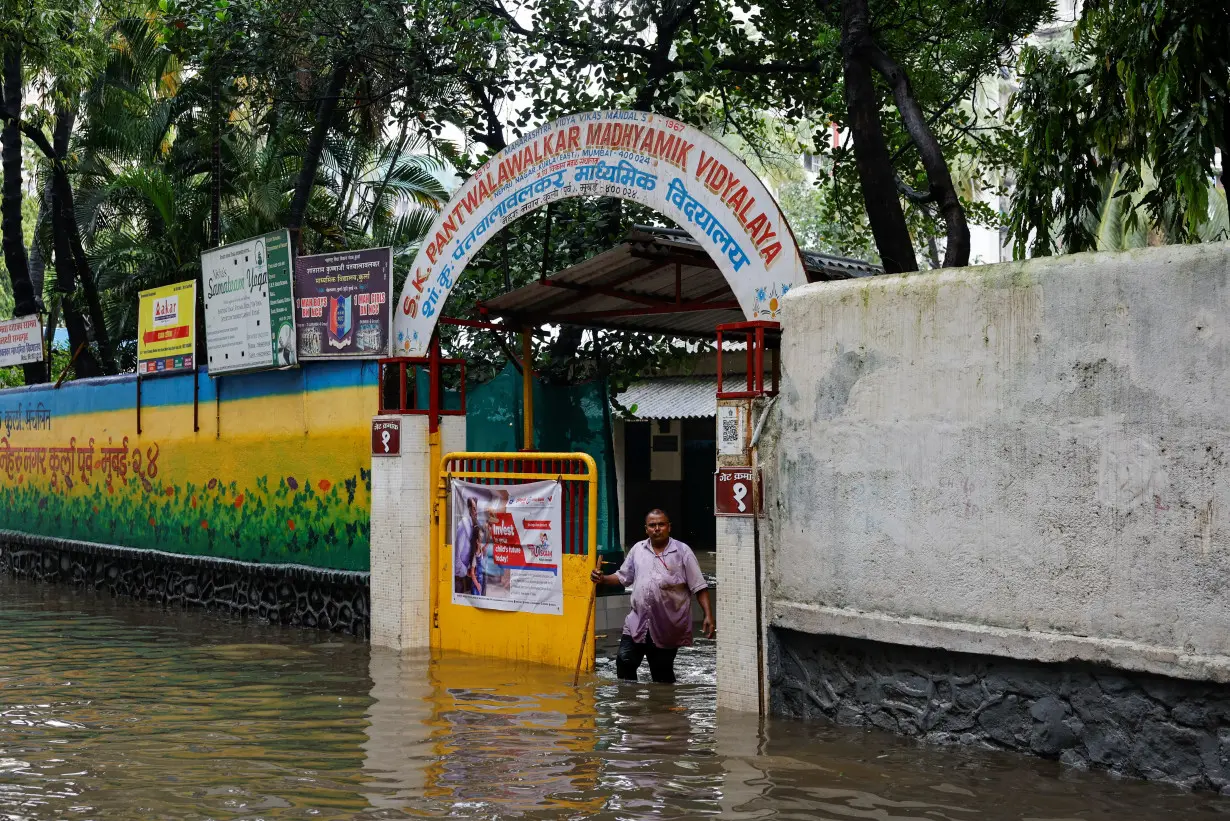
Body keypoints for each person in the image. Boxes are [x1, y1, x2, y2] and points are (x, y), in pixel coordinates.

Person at [591, 509, 714, 684]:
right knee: (624, 662)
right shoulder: (638, 549)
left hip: (667, 624)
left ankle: (663, 709)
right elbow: (622, 577)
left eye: (661, 524)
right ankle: (630, 705)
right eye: (652, 525)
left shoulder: (682, 551)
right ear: (646, 529)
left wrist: (708, 615)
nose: (657, 528)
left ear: (669, 527)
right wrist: (602, 578)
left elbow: (699, 587)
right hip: (637, 622)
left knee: (661, 674)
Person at [454, 496, 479, 594]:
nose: (476, 512)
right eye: (474, 509)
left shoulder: (472, 525)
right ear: (469, 509)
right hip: (459, 579)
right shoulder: (464, 526)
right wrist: (464, 571)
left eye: (477, 509)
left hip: (466, 577)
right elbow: (456, 555)